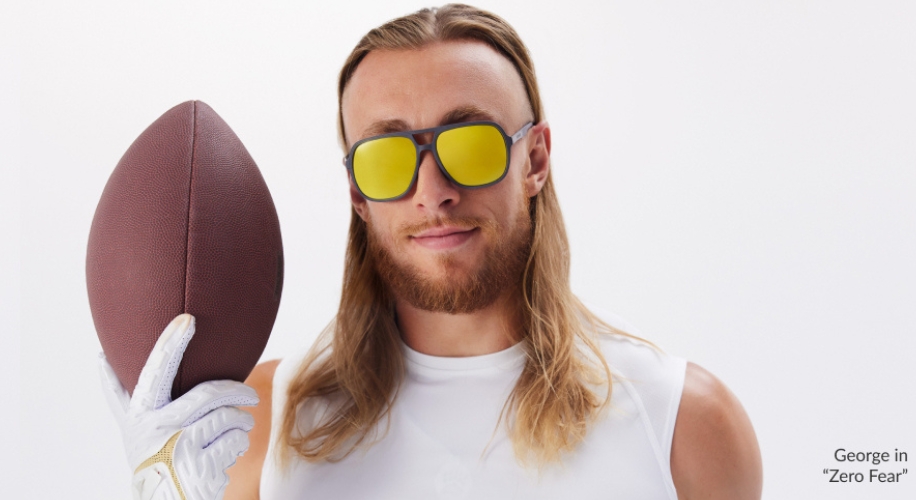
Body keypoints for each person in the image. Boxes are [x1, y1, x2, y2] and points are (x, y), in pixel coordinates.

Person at [101, 4, 762, 499]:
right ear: (358, 192)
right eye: (388, 158)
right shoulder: (255, 428)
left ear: (535, 160)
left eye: (468, 144)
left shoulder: (685, 425)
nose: (434, 191)